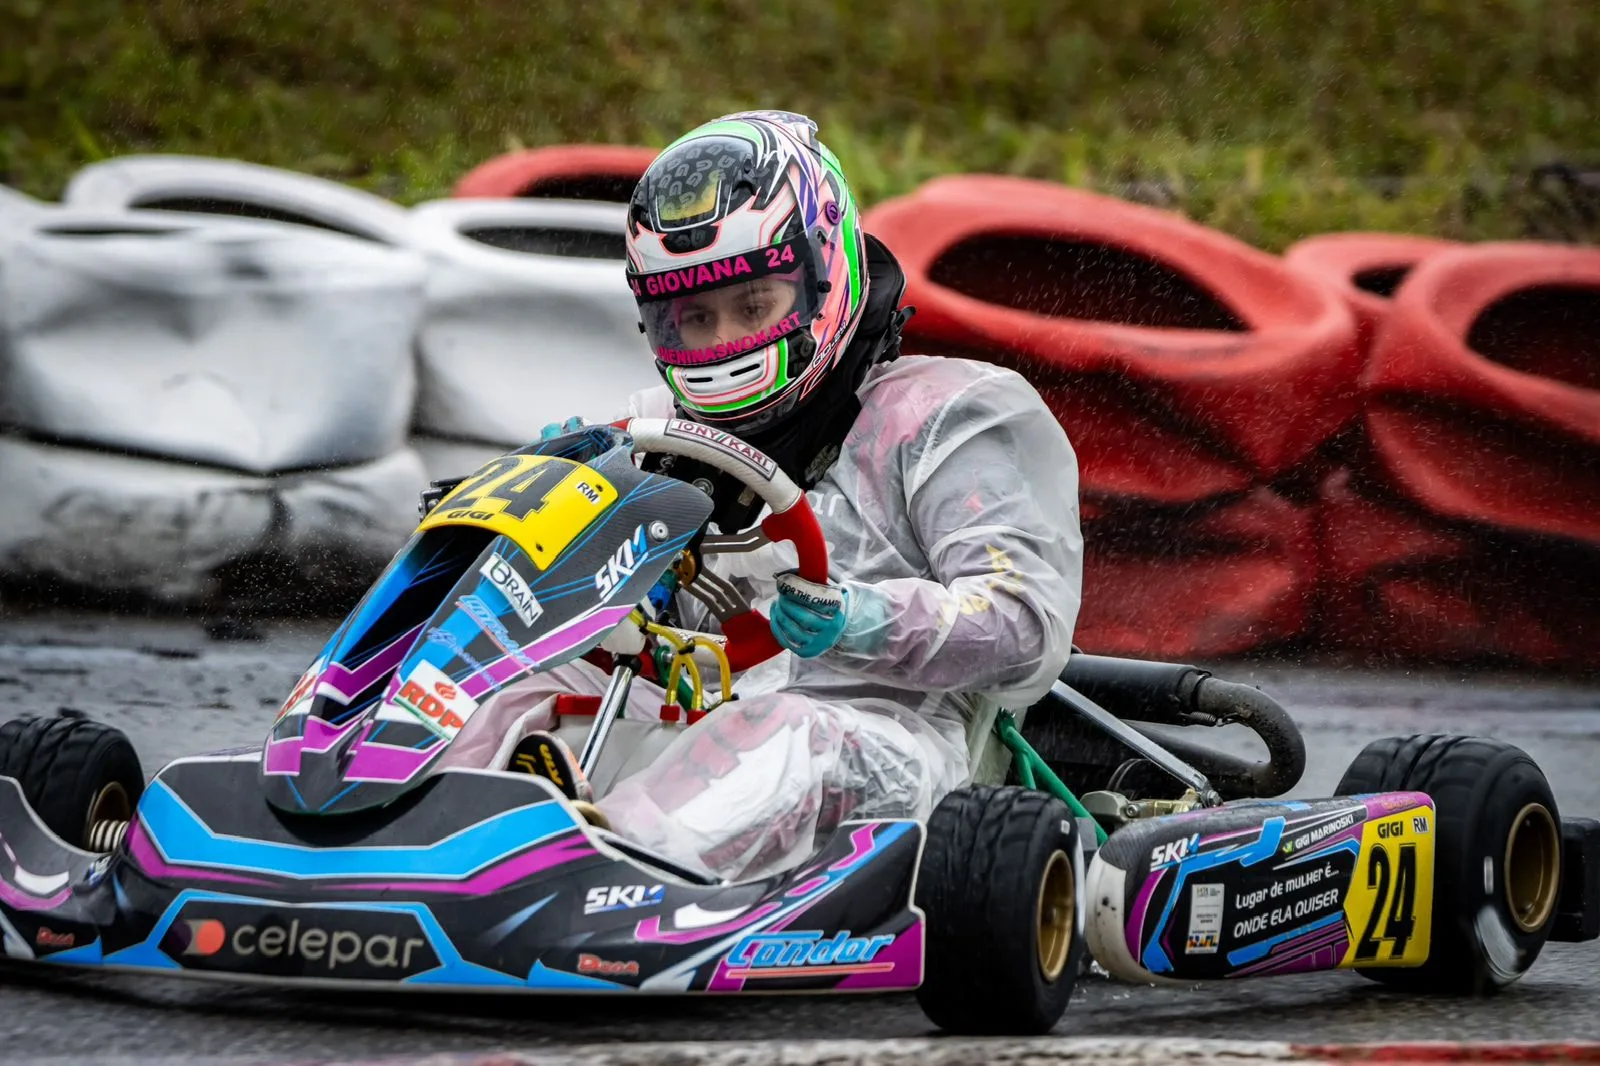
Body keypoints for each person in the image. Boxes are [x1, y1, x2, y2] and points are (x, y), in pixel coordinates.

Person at [439, 110, 1084, 883]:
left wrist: (859, 619)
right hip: (681, 717)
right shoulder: (646, 433)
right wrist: (529, 517)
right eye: (695, 318)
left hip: (885, 743)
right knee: (502, 679)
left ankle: (600, 873)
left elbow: (1023, 629)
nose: (722, 342)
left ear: (823, 274)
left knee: (784, 728)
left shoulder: (949, 414)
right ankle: (388, 830)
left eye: (754, 306)